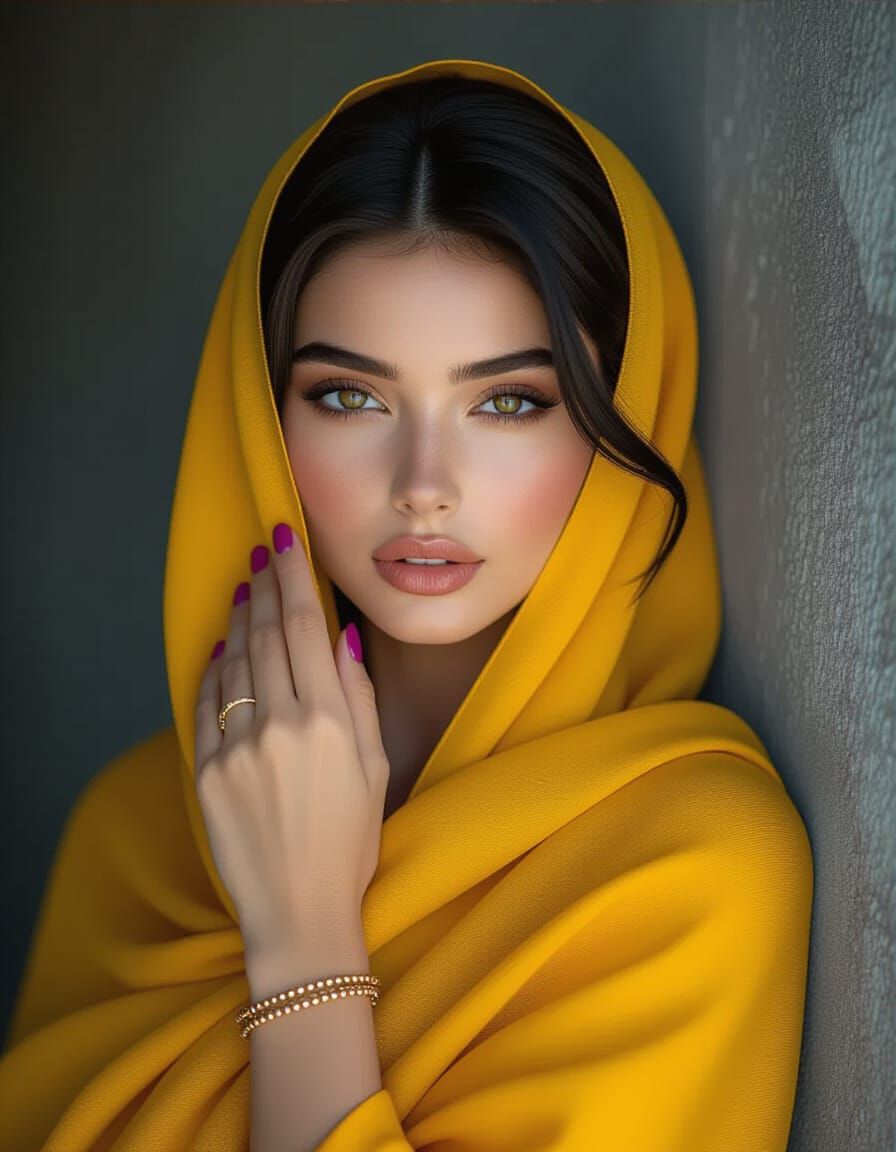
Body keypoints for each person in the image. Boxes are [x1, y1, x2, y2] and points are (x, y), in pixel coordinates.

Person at [0, 58, 813, 1151]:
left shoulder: (689, 866)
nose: (422, 481)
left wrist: (300, 942)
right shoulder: (133, 836)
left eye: (509, 402)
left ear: (628, 418)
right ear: (257, 422)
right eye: (348, 394)